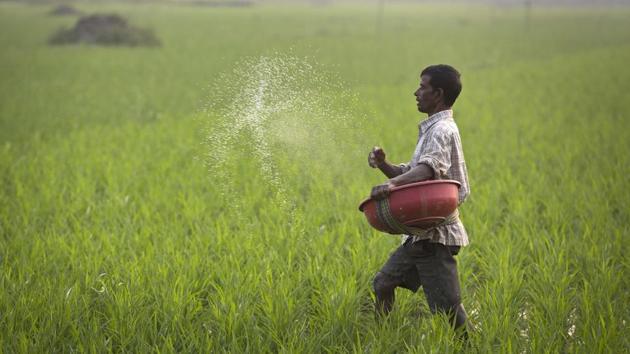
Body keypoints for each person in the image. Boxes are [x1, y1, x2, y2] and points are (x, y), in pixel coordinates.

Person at [368, 64, 471, 336]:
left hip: (435, 237)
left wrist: (391, 185)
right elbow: (416, 172)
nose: (416, 92)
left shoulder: (442, 129)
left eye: (422, 87)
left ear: (437, 94)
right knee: (383, 283)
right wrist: (385, 165)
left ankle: (471, 347)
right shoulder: (432, 128)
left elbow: (428, 170)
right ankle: (384, 340)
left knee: (448, 309)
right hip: (421, 235)